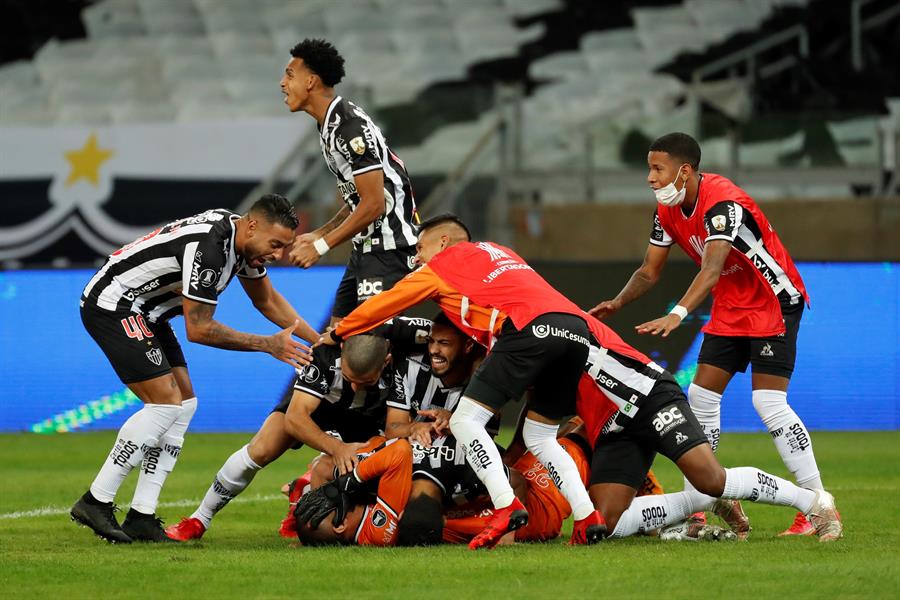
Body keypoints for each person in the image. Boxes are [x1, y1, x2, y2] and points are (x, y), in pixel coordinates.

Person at [320, 214, 606, 549]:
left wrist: (340, 331)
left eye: (420, 248)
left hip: (528, 329)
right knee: (540, 436)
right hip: (575, 327)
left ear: (442, 243)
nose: (416, 258)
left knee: (465, 420)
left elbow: (385, 304)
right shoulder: (499, 252)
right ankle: (587, 518)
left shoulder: (442, 266)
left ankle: (505, 505)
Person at [589, 132, 825, 535]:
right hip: (732, 306)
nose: (650, 178)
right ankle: (701, 503)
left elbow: (711, 269)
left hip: (772, 299)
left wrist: (678, 313)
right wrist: (618, 302)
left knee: (768, 401)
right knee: (699, 397)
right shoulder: (666, 210)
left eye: (657, 169)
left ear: (684, 171)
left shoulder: (722, 203)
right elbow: (649, 271)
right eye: (649, 168)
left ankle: (815, 503)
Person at [70, 195, 317, 543]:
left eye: (284, 247)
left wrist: (319, 340)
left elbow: (267, 300)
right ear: (252, 226)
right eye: (275, 244)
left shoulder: (242, 244)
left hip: (149, 312)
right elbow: (198, 328)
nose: (278, 255)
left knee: (184, 403)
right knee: (165, 403)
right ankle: (96, 499)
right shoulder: (212, 248)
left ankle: (141, 514)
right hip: (115, 302)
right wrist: (267, 344)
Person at [165, 320, 425, 541]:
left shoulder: (402, 351)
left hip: (369, 421)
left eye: (365, 381)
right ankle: (200, 519)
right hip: (321, 408)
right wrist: (335, 447)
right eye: (349, 378)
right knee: (262, 448)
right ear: (342, 348)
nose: (356, 387)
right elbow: (296, 418)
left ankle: (306, 490)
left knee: (362, 468)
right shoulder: (324, 354)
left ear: (386, 360)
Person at [280, 38, 419, 326]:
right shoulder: (329, 125)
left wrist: (321, 247)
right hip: (365, 248)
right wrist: (321, 232)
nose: (282, 83)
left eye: (290, 74)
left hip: (390, 249)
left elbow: (375, 204)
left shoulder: (349, 127)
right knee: (337, 338)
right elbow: (359, 197)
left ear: (311, 81)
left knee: (367, 346)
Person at [295, 438, 413, 547]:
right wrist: (355, 477)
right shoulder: (377, 531)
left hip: (388, 438)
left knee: (321, 466)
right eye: (325, 502)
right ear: (340, 526)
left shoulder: (357, 503)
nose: (327, 493)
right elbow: (401, 450)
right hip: (418, 448)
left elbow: (320, 466)